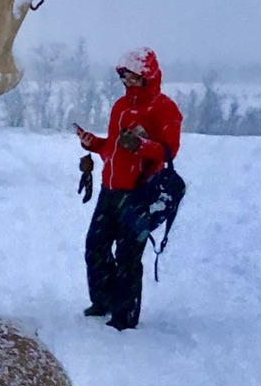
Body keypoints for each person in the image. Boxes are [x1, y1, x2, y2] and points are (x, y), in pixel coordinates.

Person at [75, 48, 182, 331]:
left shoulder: (164, 108)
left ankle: (125, 316)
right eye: (125, 78)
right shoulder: (120, 107)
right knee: (95, 247)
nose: (129, 83)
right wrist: (93, 143)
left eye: (134, 78)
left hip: (139, 194)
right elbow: (113, 147)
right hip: (109, 190)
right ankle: (103, 300)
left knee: (127, 256)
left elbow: (170, 151)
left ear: (149, 76)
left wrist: (142, 146)